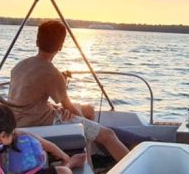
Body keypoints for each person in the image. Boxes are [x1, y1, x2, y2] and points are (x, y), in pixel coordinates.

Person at [7, 20, 130, 161]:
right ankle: (133, 168)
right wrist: (83, 123)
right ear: (60, 46)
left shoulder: (19, 66)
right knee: (108, 135)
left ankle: (88, 159)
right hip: (40, 123)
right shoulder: (51, 73)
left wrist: (55, 108)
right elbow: (68, 107)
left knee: (85, 110)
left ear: (37, 42)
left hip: (19, 121)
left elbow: (28, 99)